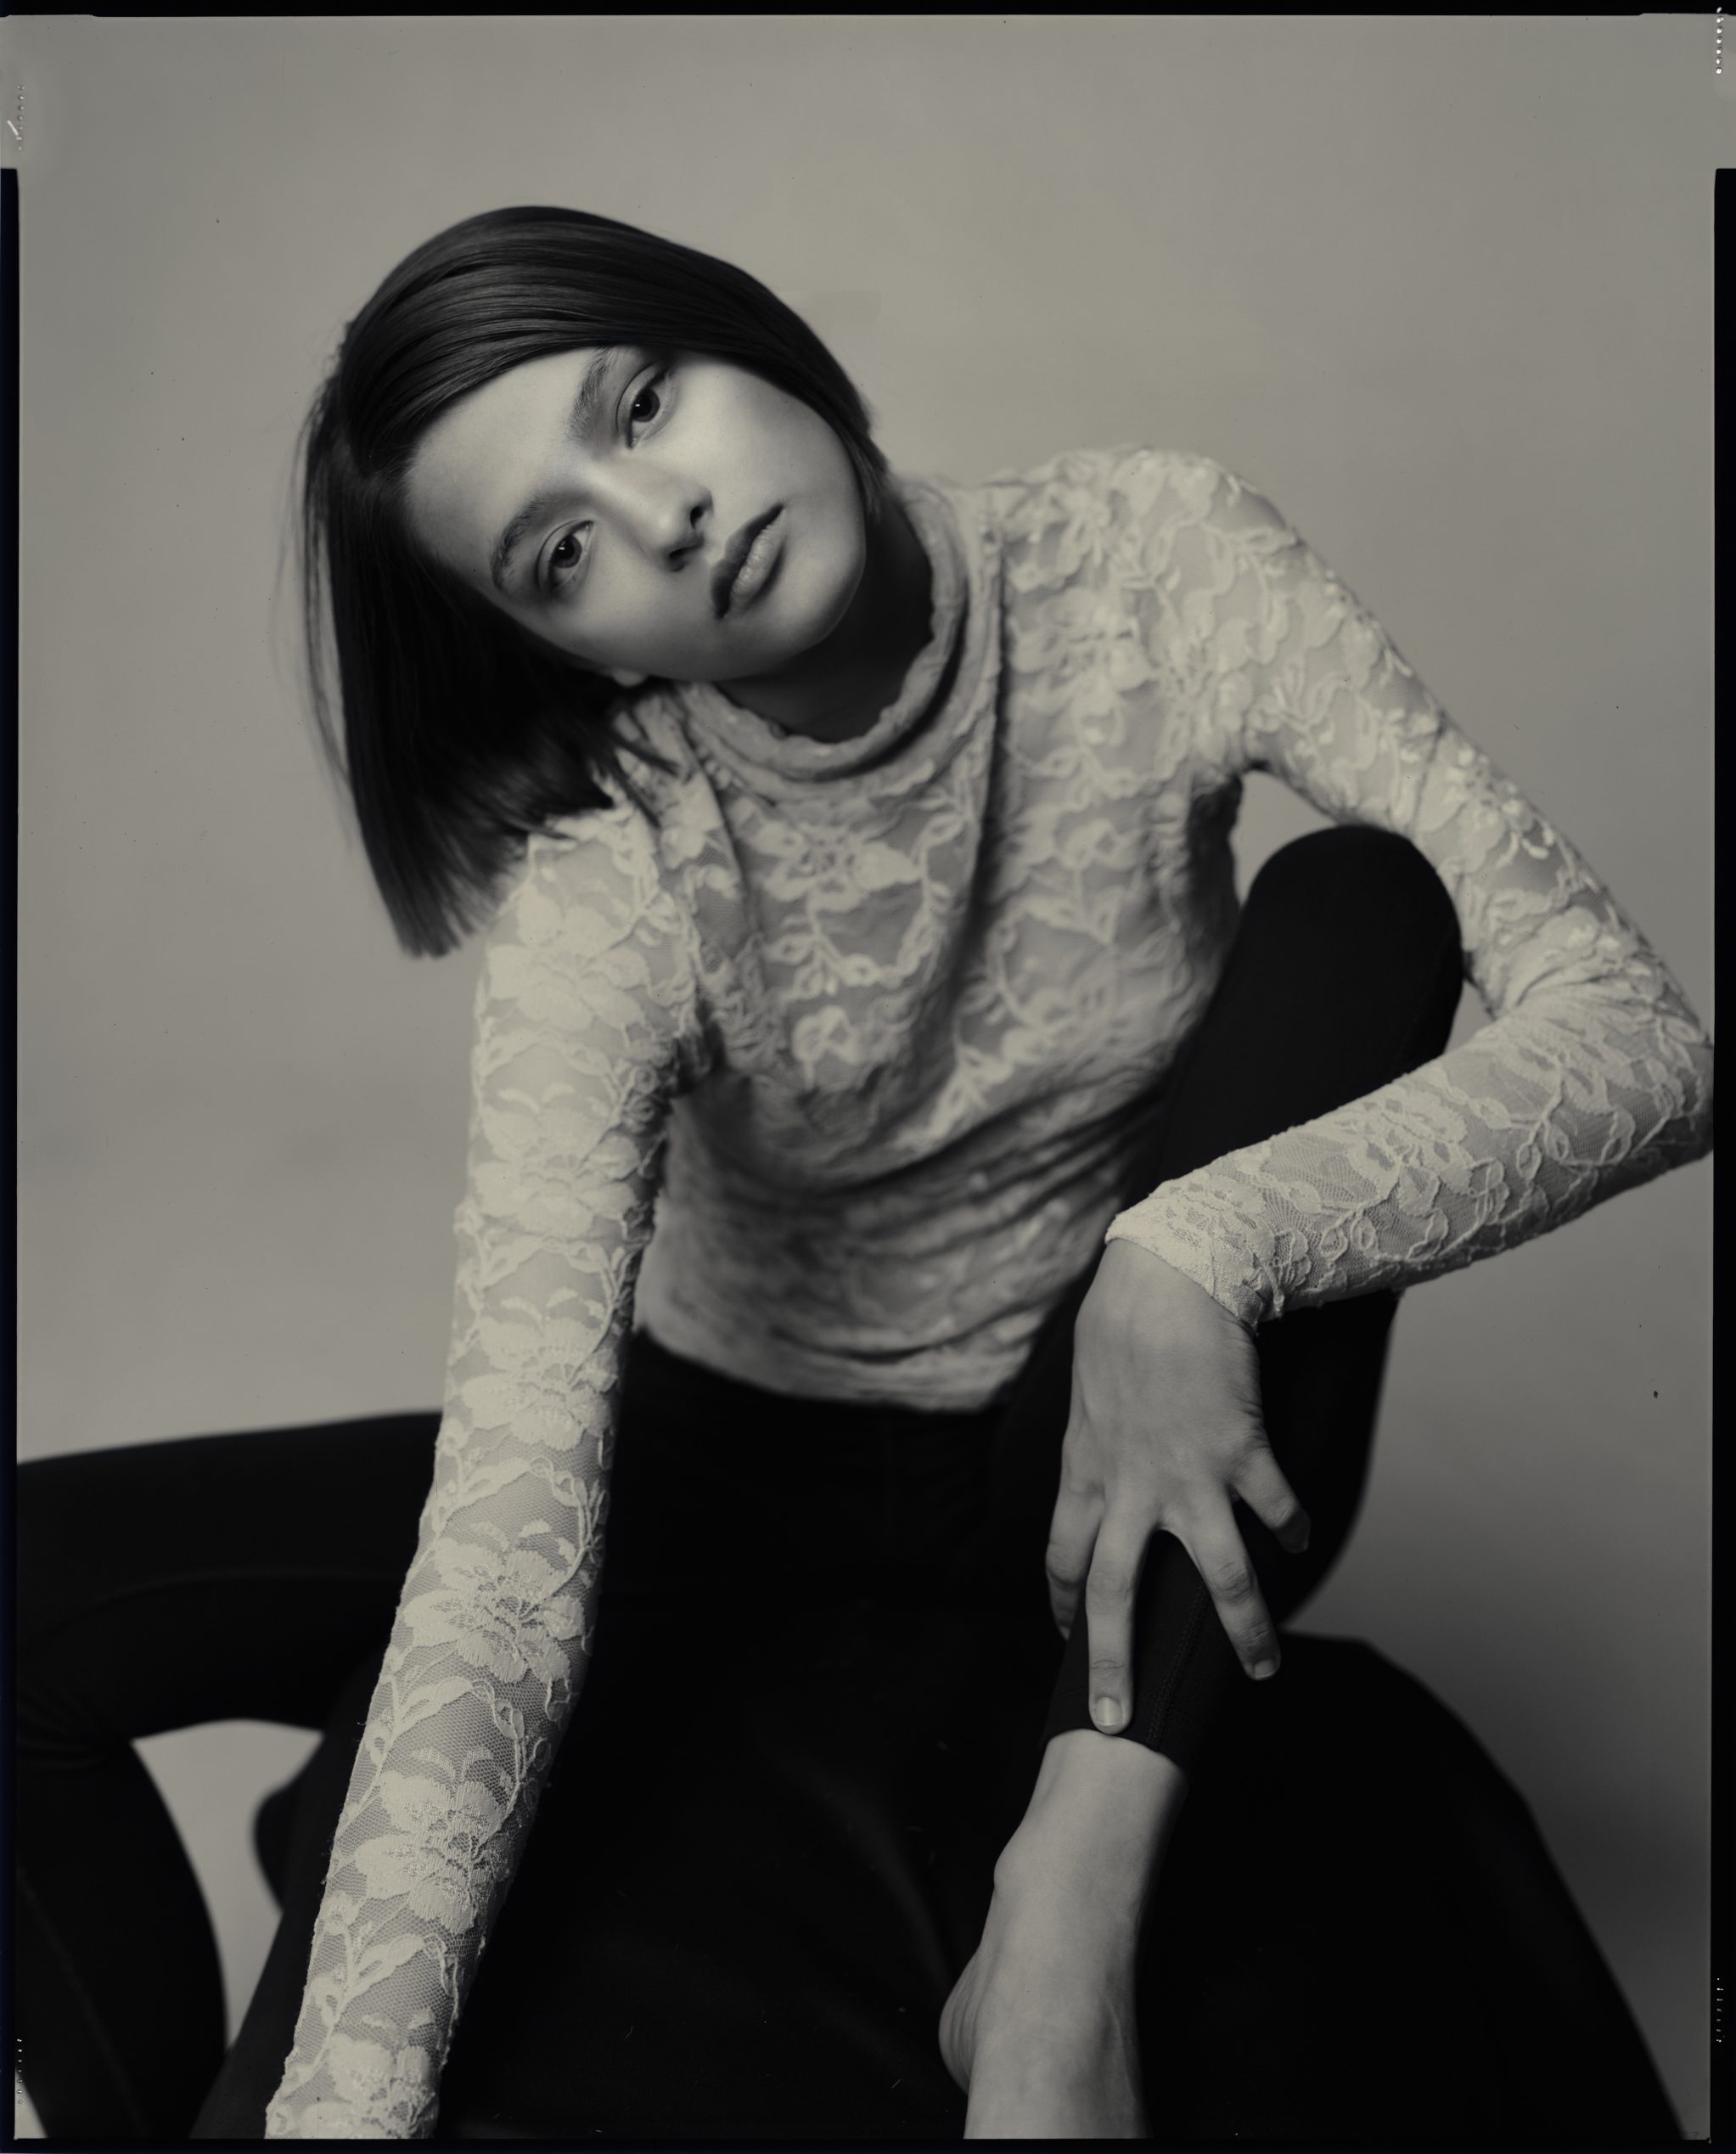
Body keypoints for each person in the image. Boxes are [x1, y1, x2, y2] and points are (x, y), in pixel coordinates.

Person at [15, 205, 1712, 2143]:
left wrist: (1192, 1249)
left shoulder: (1150, 559)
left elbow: (1643, 1041)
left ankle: (1061, 1931)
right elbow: (504, 1545)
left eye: (640, 404)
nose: (664, 517)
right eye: (562, 552)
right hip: (720, 1479)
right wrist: (347, 2104)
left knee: (1359, 901)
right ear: (554, 642)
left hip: (1081, 1443)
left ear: (738, 331)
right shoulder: (619, 867)